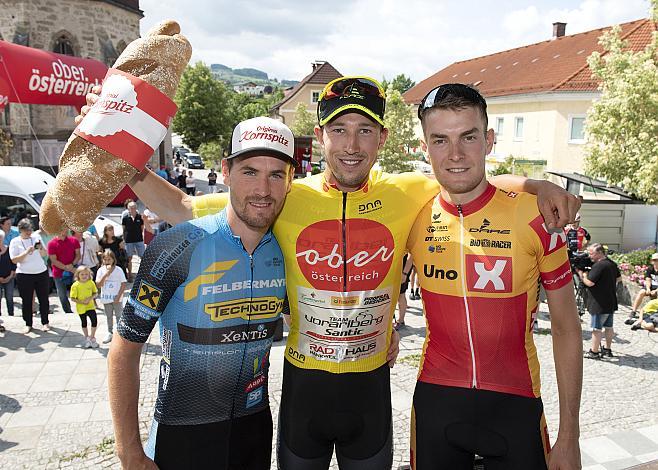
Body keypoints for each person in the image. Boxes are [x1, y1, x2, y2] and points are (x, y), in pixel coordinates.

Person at [80, 78, 578, 469]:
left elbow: (466, 175)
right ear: (319, 137)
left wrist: (539, 184)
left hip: (370, 392)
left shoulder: (408, 192)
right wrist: (121, 156)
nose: (352, 144)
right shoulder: (284, 194)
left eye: (365, 130)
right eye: (338, 129)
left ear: (383, 137)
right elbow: (185, 207)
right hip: (304, 390)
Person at [408, 83, 582, 469]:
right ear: (425, 148)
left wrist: (569, 435)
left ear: (488, 140)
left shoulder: (537, 217)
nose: (455, 154)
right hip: (437, 400)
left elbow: (567, 328)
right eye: (440, 140)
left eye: (468, 137)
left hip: (515, 403)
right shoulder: (413, 211)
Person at [108, 117, 297, 470]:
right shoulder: (177, 245)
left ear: (290, 183)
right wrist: (129, 452)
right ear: (225, 172)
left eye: (276, 175)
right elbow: (124, 351)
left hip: (254, 430)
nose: (263, 189)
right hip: (183, 433)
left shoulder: (286, 251)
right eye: (250, 172)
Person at [578, 243, 621, 359]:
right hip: (610, 301)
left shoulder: (599, 266)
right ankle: (607, 350)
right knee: (608, 327)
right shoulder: (611, 264)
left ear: (599, 253)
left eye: (591, 253)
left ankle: (594, 352)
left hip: (599, 303)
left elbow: (590, 283)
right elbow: (619, 278)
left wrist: (582, 275)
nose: (589, 256)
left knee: (596, 329)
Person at [9, 219, 50, 333]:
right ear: (20, 230)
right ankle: (28, 323)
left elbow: (44, 254)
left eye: (30, 229)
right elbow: (14, 260)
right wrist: (26, 252)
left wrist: (41, 247)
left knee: (44, 299)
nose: (29, 232)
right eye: (26, 230)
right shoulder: (15, 241)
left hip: (41, 272)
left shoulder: (36, 238)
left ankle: (45, 322)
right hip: (24, 274)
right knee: (26, 300)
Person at [95, 249, 127, 344]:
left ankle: (120, 333)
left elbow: (123, 284)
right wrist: (106, 274)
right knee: (109, 316)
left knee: (119, 315)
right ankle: (110, 332)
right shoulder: (101, 270)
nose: (107, 261)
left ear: (113, 259)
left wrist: (118, 296)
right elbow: (98, 285)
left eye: (109, 259)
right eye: (105, 259)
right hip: (106, 298)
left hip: (117, 298)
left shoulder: (118, 270)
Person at [47, 229, 81, 314]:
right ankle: (68, 311)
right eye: (62, 229)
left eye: (66, 229)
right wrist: (66, 267)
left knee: (80, 290)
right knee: (62, 295)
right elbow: (53, 260)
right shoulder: (51, 244)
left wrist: (72, 264)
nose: (65, 231)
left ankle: (82, 309)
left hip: (73, 269)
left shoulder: (74, 240)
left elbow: (78, 255)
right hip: (59, 272)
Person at [70, 265, 99, 348]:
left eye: (86, 274)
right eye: (82, 274)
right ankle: (87, 338)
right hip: (81, 308)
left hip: (90, 306)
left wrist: (90, 298)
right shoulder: (75, 285)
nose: (84, 276)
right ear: (78, 275)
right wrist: (81, 302)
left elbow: (95, 293)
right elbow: (72, 298)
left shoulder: (91, 283)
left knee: (94, 321)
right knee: (84, 323)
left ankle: (92, 337)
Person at [627, 252, 658, 323]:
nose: (656, 262)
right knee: (641, 292)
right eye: (654, 260)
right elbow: (648, 280)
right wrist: (648, 288)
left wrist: (656, 291)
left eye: (657, 260)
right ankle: (633, 311)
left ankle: (654, 314)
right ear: (652, 261)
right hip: (652, 286)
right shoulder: (650, 269)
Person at [121, 202, 145, 279]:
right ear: (128, 209)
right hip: (129, 240)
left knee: (143, 257)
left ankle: (142, 274)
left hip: (139, 239)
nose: (133, 209)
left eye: (134, 207)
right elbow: (124, 229)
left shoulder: (139, 217)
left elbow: (142, 228)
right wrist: (124, 239)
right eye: (131, 208)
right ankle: (130, 275)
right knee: (129, 258)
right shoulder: (125, 218)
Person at [0, 229, 16, 319]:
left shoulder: (9, 249)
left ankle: (11, 315)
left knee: (9, 297)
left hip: (9, 277)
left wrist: (10, 276)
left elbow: (13, 264)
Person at [395, 254, 414, 330]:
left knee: (401, 295)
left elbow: (411, 255)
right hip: (394, 267)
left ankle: (401, 321)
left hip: (403, 269)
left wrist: (405, 273)